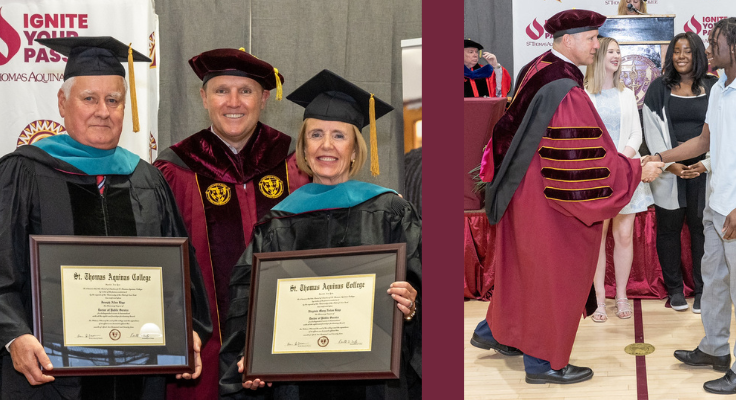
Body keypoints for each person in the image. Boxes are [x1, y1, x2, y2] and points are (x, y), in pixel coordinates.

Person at [0, 36, 210, 399]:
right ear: (62, 103)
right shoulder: (23, 173)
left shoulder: (147, 179)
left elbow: (180, 271)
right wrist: (13, 334)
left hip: (138, 371)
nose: (103, 111)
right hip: (50, 376)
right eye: (89, 99)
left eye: (113, 100)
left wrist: (186, 328)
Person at [468, 9, 661, 385]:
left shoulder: (537, 67)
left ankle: (497, 332)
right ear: (567, 41)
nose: (597, 45)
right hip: (548, 200)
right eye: (591, 39)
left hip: (520, 189)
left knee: (521, 272)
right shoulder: (566, 91)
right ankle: (543, 362)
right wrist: (636, 171)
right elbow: (582, 164)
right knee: (551, 274)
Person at [217, 70, 421, 399]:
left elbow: (424, 293)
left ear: (354, 149)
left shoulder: (390, 212)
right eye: (316, 135)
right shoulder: (277, 222)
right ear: (303, 146)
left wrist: (411, 307)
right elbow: (247, 304)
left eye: (339, 135)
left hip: (373, 383)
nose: (326, 145)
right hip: (294, 383)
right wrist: (251, 358)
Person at [154, 48, 309, 400]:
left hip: (289, 343)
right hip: (204, 349)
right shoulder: (176, 168)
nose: (233, 102)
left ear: (264, 99)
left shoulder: (296, 163)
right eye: (221, 90)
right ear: (203, 97)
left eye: (246, 91)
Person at [648, 17, 736, 394]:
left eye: (714, 43)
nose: (707, 49)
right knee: (715, 282)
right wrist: (660, 156)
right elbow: (705, 141)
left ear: (735, 48)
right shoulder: (718, 88)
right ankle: (715, 348)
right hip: (716, 204)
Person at [643, 31, 719, 313]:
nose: (681, 56)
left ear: (698, 53)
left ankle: (702, 290)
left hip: (705, 168)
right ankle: (674, 290)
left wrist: (707, 163)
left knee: (702, 229)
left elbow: (723, 129)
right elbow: (651, 129)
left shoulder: (714, 86)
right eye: (676, 51)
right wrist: (668, 164)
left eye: (687, 50)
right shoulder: (658, 88)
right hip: (669, 169)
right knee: (669, 229)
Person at [585, 36, 654, 322]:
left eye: (618, 52)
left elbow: (637, 134)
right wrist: (606, 164)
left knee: (624, 236)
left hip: (625, 172)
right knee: (597, 238)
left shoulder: (627, 94)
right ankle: (600, 298)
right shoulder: (584, 94)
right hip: (596, 175)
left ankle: (622, 295)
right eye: (611, 51)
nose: (616, 56)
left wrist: (622, 161)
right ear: (599, 55)